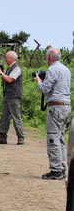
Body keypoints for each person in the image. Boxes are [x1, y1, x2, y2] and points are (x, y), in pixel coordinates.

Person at [35, 47, 71, 180]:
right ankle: (61, 167)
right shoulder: (66, 70)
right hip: (66, 106)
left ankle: (56, 170)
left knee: (53, 138)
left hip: (56, 107)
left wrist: (39, 80)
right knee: (60, 138)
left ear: (49, 57)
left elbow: (45, 89)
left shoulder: (53, 70)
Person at [0, 50, 25, 146]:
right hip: (7, 95)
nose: (5, 59)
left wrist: (1, 72)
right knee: (4, 117)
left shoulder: (17, 69)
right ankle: (2, 137)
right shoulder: (9, 68)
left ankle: (20, 138)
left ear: (11, 58)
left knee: (16, 117)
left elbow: (10, 79)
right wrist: (2, 73)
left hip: (14, 96)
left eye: (6, 57)